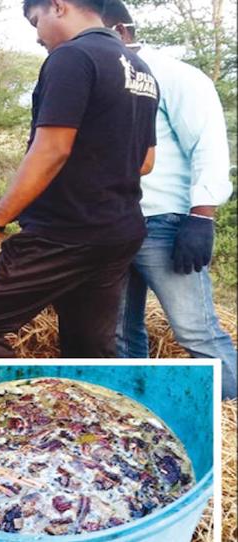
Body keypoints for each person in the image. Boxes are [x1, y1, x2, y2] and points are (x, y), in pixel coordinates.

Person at [0, 0, 158, 358]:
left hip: (65, 233)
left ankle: (23, 411)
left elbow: (50, 151)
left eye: (35, 21)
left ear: (57, 6)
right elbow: (145, 161)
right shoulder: (139, 68)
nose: (37, 35)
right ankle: (83, 412)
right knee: (89, 349)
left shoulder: (73, 57)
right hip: (119, 231)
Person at [102, 0, 237, 399]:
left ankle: (230, 418)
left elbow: (208, 145)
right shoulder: (97, 76)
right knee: (121, 334)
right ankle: (136, 407)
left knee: (196, 332)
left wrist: (202, 218)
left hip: (165, 224)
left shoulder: (176, 75)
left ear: (122, 32)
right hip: (114, 226)